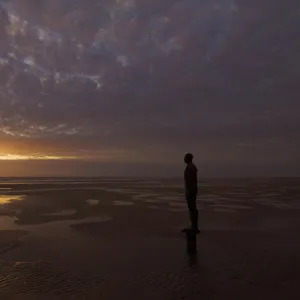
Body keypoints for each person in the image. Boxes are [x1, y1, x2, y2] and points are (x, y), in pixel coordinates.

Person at [183, 153, 199, 233]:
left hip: (191, 189)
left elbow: (189, 180)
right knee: (193, 207)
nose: (184, 159)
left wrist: (188, 191)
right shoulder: (193, 167)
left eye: (185, 157)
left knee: (192, 207)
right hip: (194, 188)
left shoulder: (189, 167)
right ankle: (194, 225)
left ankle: (194, 226)